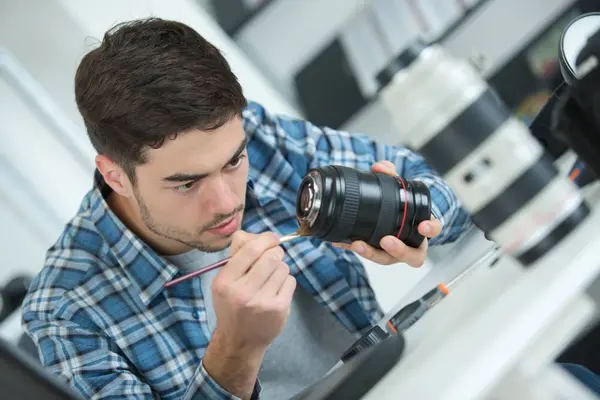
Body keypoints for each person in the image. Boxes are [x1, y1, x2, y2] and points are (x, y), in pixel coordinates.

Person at [21, 18, 473, 400]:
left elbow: (449, 187)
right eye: (187, 183)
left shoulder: (254, 132)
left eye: (234, 161)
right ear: (114, 174)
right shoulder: (65, 311)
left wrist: (414, 218)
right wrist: (235, 350)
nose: (226, 203)